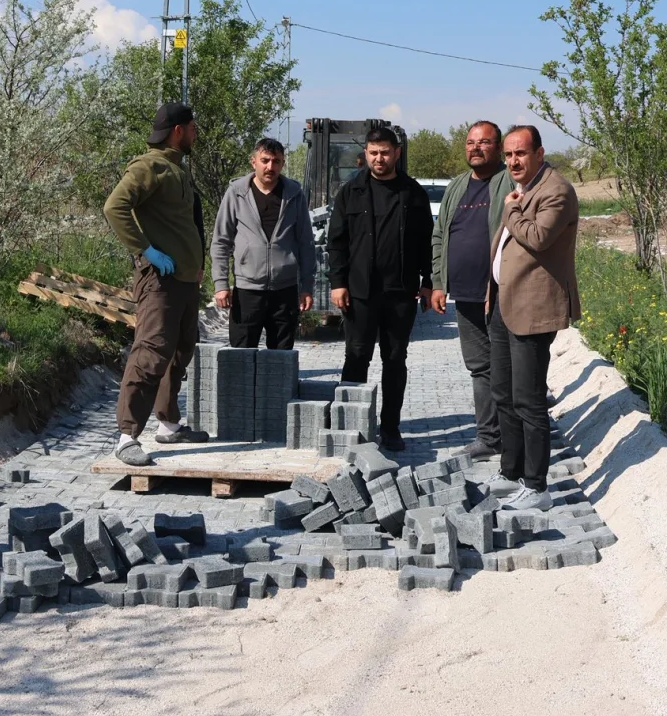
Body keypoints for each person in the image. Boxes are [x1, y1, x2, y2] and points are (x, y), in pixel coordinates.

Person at [102, 102, 211, 466]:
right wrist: (146, 250)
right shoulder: (150, 166)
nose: (196, 132)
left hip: (184, 280)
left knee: (180, 349)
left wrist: (197, 265)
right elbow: (115, 206)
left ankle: (167, 423)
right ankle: (126, 436)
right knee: (150, 351)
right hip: (160, 281)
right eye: (193, 127)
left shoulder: (177, 169)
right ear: (177, 130)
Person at [488, 124, 580, 512]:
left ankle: (537, 485)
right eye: (508, 155)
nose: (513, 161)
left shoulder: (556, 190)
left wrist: (510, 210)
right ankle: (511, 471)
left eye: (520, 154)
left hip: (532, 310)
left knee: (528, 399)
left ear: (539, 153)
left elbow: (538, 238)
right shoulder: (524, 188)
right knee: (504, 394)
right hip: (503, 304)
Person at [325, 125, 434, 451]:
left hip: (400, 293)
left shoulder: (412, 193)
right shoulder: (351, 192)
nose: (379, 158)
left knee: (395, 359)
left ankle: (390, 428)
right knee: (356, 356)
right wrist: (338, 283)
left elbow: (427, 242)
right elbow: (337, 242)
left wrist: (428, 282)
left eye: (385, 152)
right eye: (373, 153)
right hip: (359, 292)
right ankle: (349, 426)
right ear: (366, 154)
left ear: (396, 153)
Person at [429, 120, 515, 462]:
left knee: (510, 365)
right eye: (469, 143)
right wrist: (438, 283)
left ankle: (519, 435)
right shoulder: (457, 186)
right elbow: (440, 235)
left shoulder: (509, 180)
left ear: (498, 147)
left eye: (483, 143)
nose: (475, 148)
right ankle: (489, 437)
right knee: (480, 367)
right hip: (464, 294)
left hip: (503, 292)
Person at [210, 137, 316, 349]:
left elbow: (306, 243)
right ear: (253, 161)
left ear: (283, 163)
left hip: (285, 289)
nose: (270, 166)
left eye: (276, 161)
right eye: (265, 160)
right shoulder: (237, 193)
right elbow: (221, 241)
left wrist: (307, 287)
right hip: (248, 289)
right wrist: (221, 284)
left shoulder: (294, 195)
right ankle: (243, 384)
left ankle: (278, 384)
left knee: (280, 359)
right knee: (241, 354)